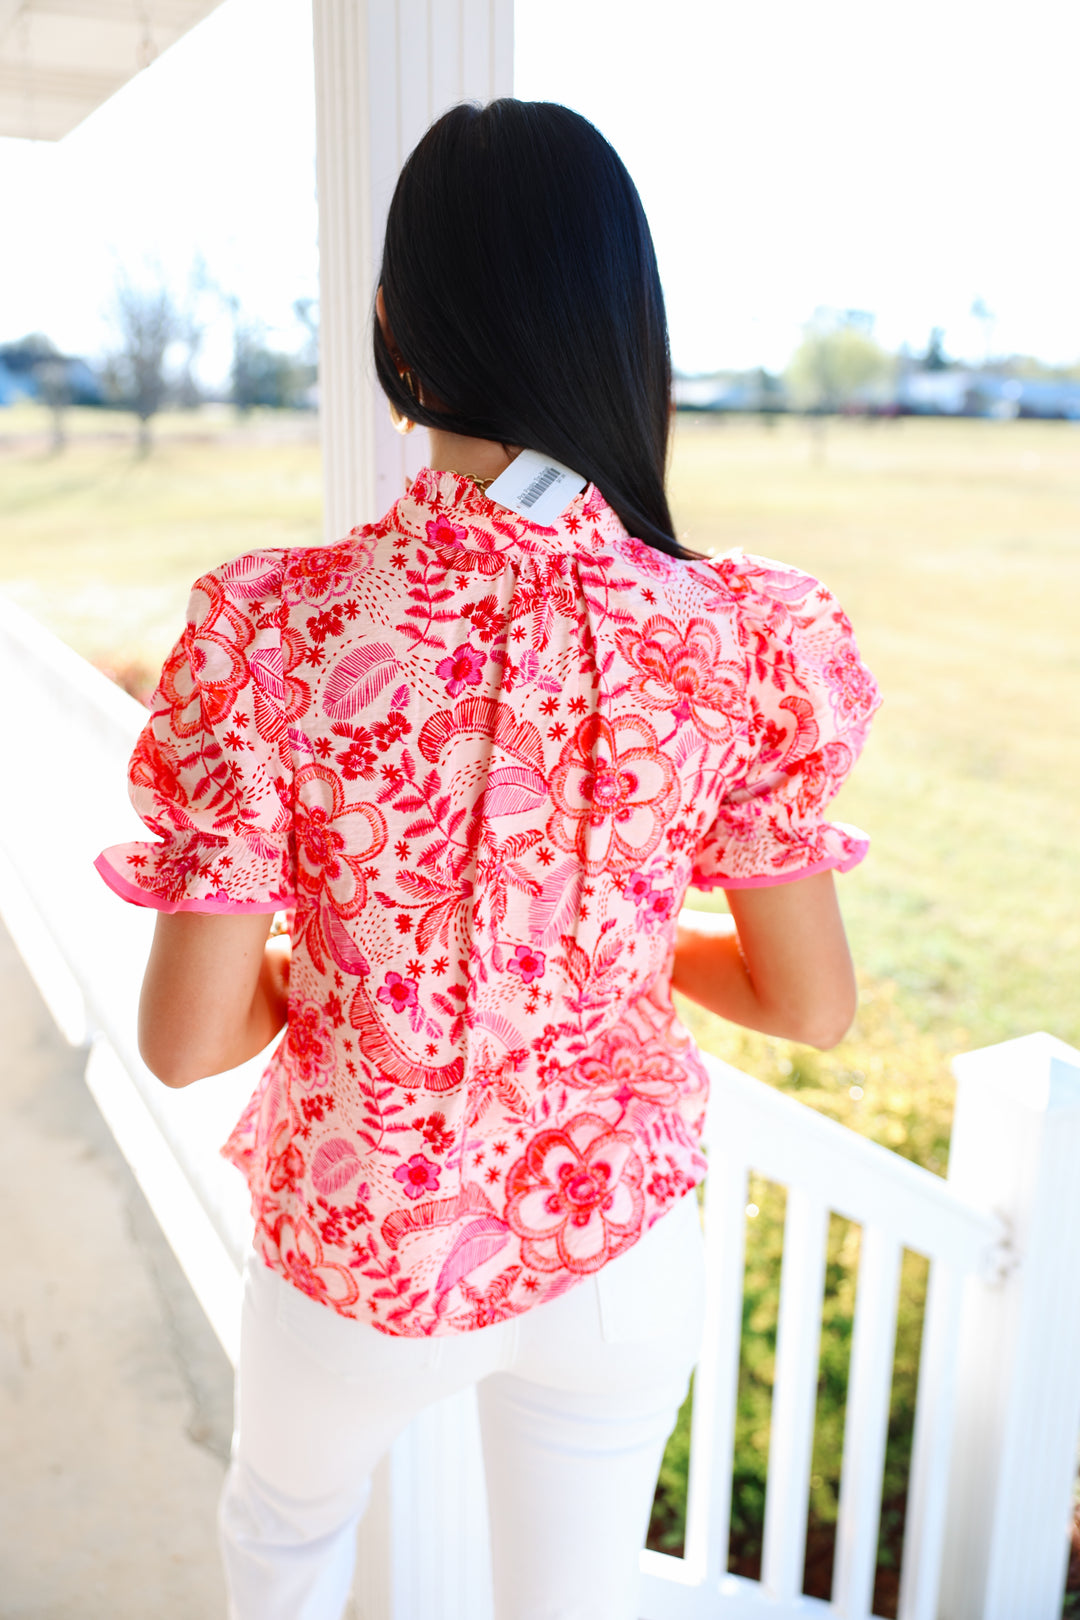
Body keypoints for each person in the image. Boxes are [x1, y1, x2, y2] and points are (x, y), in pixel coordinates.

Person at [96, 99, 879, 1620]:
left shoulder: (276, 633)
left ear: (397, 332)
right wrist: (604, 951)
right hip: (619, 1252)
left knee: (284, 1548)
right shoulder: (743, 641)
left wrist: (357, 960)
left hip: (361, 1241)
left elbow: (186, 1039)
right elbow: (811, 1004)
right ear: (626, 330)